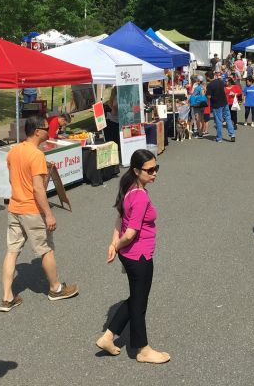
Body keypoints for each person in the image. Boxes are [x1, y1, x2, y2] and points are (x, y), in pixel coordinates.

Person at [97, 149, 170, 364]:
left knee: (136, 298)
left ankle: (108, 337)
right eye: (150, 170)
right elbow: (130, 233)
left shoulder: (129, 187)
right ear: (137, 171)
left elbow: (120, 219)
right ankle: (142, 349)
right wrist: (117, 244)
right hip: (139, 256)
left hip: (131, 255)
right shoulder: (138, 196)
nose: (155, 173)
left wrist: (113, 244)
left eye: (157, 168)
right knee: (140, 302)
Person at [0, 116, 78, 312]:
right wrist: (49, 214)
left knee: (12, 251)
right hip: (31, 209)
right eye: (45, 127)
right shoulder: (36, 155)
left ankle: (7, 297)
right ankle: (56, 288)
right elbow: (38, 189)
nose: (48, 130)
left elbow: (12, 179)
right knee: (45, 249)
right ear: (36, 131)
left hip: (15, 207)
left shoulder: (14, 151)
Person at [205, 71, 235, 143]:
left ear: (208, 77)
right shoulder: (220, 81)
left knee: (219, 121)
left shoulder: (209, 85)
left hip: (216, 104)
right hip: (224, 102)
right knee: (228, 118)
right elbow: (225, 88)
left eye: (206, 77)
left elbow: (208, 96)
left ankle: (219, 138)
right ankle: (232, 134)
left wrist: (206, 94)